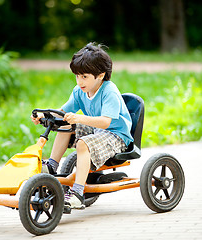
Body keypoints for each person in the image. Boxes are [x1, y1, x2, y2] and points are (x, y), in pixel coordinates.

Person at [31, 42, 133, 210]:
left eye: (84, 76)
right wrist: (45, 116)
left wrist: (79, 118)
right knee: (64, 123)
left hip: (116, 136)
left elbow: (106, 122)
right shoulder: (80, 91)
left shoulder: (109, 92)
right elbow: (63, 111)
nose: (79, 81)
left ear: (100, 75)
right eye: (77, 76)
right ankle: (52, 166)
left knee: (83, 143)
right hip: (98, 131)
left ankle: (77, 193)